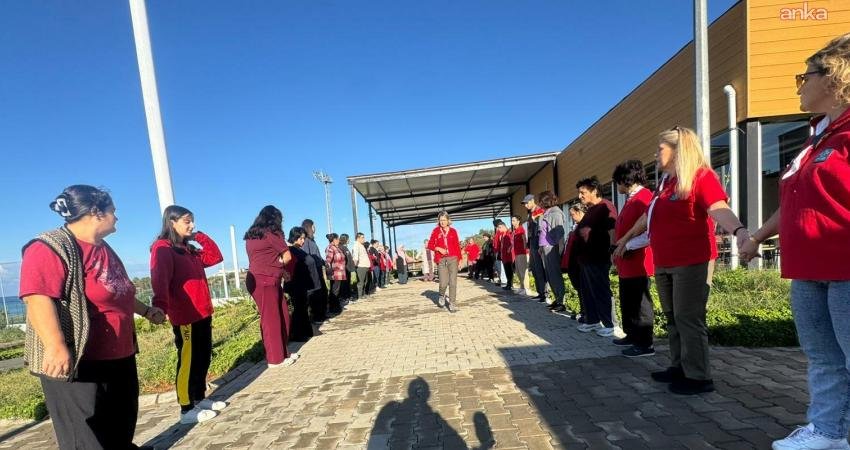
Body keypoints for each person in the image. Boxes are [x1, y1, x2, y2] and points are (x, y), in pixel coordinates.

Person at [740, 33, 850, 450]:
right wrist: (756, 239)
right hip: (808, 269)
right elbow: (793, 205)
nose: (799, 84)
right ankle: (827, 432)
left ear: (835, 77)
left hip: (846, 267)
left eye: (805, 76)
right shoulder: (815, 138)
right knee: (823, 357)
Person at [19, 185, 164, 449]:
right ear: (96, 212)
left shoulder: (103, 247)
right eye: (113, 211)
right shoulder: (49, 246)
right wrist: (55, 346)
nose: (117, 217)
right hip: (80, 359)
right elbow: (37, 297)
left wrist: (146, 311)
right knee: (85, 436)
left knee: (120, 424)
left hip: (119, 355)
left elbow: (118, 291)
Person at [615, 126, 749, 396]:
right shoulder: (666, 183)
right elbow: (647, 218)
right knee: (673, 318)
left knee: (689, 318)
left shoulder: (700, 176)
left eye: (659, 148)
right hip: (664, 261)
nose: (655, 153)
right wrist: (625, 239)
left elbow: (717, 207)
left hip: (691, 260)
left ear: (678, 150)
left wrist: (740, 232)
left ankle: (699, 376)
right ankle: (679, 367)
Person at [151, 205, 227, 424]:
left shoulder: (188, 249)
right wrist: (160, 306)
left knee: (203, 357)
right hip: (185, 316)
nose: (192, 225)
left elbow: (215, 256)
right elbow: (160, 279)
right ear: (172, 222)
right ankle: (186, 409)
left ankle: (199, 398)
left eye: (192, 221)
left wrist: (199, 236)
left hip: (203, 313)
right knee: (188, 361)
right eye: (187, 221)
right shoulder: (163, 248)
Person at [244, 205, 298, 368]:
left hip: (258, 280)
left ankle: (281, 352)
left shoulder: (251, 236)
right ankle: (275, 359)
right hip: (266, 281)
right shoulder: (272, 233)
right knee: (273, 319)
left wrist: (278, 271)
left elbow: (261, 258)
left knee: (279, 315)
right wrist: (278, 265)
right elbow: (287, 256)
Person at [611, 161, 656, 358]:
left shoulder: (644, 198)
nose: (616, 186)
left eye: (617, 182)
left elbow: (649, 232)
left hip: (639, 261)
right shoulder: (631, 199)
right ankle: (632, 334)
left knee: (640, 303)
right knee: (628, 301)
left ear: (625, 180)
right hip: (626, 261)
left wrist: (626, 246)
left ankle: (645, 343)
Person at [574, 176, 618, 336]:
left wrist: (613, 249)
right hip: (586, 259)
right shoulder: (591, 209)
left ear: (594, 191)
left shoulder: (606, 206)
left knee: (601, 290)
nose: (580, 196)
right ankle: (592, 320)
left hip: (598, 258)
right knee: (588, 291)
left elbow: (612, 229)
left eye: (582, 192)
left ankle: (610, 324)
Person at [283, 227, 315, 342]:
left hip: (301, 284)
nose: (303, 241)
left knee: (302, 308)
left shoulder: (298, 250)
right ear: (294, 237)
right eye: (301, 238)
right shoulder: (290, 250)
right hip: (295, 284)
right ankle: (297, 334)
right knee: (298, 309)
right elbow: (289, 269)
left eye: (304, 238)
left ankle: (305, 331)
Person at [537, 191, 567, 312]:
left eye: (540, 201)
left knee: (555, 274)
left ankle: (561, 301)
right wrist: (540, 247)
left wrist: (560, 250)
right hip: (545, 247)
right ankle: (557, 299)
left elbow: (559, 233)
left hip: (552, 247)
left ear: (545, 201)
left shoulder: (555, 212)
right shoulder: (547, 213)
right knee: (549, 274)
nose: (539, 203)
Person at [427, 211, 462, 312]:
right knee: (443, 283)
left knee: (453, 282)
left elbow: (457, 246)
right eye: (440, 220)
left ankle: (452, 304)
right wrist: (438, 248)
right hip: (441, 259)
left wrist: (459, 260)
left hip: (453, 258)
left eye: (444, 220)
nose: (442, 222)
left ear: (448, 220)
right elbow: (430, 245)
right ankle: (441, 295)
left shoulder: (453, 231)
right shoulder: (435, 231)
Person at [561, 203, 587, 321]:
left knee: (583, 289)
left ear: (580, 212)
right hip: (572, 263)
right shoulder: (575, 226)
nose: (571, 217)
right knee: (579, 288)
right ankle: (583, 311)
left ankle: (585, 312)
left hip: (578, 263)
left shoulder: (584, 226)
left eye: (572, 214)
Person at [301, 219, 328, 323]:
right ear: (309, 227)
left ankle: (322, 314)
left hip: (318, 270)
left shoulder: (312, 240)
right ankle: (317, 316)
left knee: (323, 292)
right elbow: (306, 257)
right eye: (313, 226)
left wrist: (323, 262)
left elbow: (317, 256)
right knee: (316, 294)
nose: (315, 227)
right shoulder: (306, 241)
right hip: (313, 271)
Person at [523, 194, 549, 301]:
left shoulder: (539, 211)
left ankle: (544, 293)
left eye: (527, 203)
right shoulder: (530, 214)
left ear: (532, 201)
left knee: (540, 268)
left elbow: (541, 229)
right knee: (534, 268)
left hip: (538, 242)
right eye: (524, 203)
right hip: (532, 243)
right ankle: (540, 292)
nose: (525, 205)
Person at [324, 233, 346, 316]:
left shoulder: (336, 248)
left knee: (336, 291)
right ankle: (333, 308)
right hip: (335, 273)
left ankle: (335, 307)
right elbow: (328, 261)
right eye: (338, 239)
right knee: (334, 291)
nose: (339, 240)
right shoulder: (331, 248)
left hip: (339, 273)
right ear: (334, 240)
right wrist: (329, 271)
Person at [510, 215, 530, 295]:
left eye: (514, 220)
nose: (512, 222)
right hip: (517, 253)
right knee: (518, 271)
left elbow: (524, 240)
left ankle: (526, 289)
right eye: (512, 221)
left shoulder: (521, 229)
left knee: (523, 271)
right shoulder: (515, 231)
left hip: (522, 253)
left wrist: (525, 251)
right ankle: (522, 287)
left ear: (518, 221)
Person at [352, 233, 371, 299]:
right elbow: (355, 257)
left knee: (365, 281)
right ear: (358, 238)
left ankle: (363, 294)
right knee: (361, 282)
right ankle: (360, 296)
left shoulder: (361, 245)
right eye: (362, 237)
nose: (364, 239)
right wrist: (355, 266)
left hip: (365, 266)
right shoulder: (356, 245)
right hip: (360, 266)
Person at [498, 222, 514, 291]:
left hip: (509, 256)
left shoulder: (509, 233)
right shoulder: (503, 235)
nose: (498, 229)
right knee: (506, 270)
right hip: (504, 255)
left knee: (509, 270)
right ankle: (508, 284)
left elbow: (512, 243)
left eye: (499, 227)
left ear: (504, 226)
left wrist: (509, 250)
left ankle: (510, 284)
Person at [339, 233, 355, 303]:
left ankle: (348, 297)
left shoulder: (345, 247)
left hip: (348, 269)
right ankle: (345, 298)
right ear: (345, 239)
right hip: (344, 269)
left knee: (347, 283)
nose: (349, 240)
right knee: (344, 284)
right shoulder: (341, 247)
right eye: (348, 238)